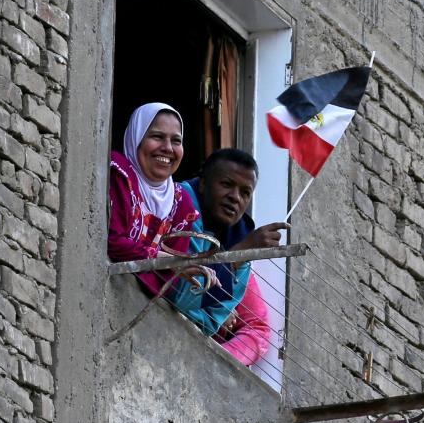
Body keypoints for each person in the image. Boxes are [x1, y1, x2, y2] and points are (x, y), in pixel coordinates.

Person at [172, 148, 289, 365]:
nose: (235, 197)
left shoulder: (239, 234)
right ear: (204, 183)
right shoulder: (177, 206)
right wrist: (239, 253)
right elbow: (180, 299)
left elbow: (211, 322)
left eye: (245, 192)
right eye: (226, 184)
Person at [107, 103, 216, 296]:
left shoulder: (182, 203)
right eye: (157, 137)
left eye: (176, 140)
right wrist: (164, 260)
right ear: (137, 138)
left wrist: (172, 265)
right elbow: (112, 241)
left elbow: (166, 281)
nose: (167, 148)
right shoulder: (119, 173)